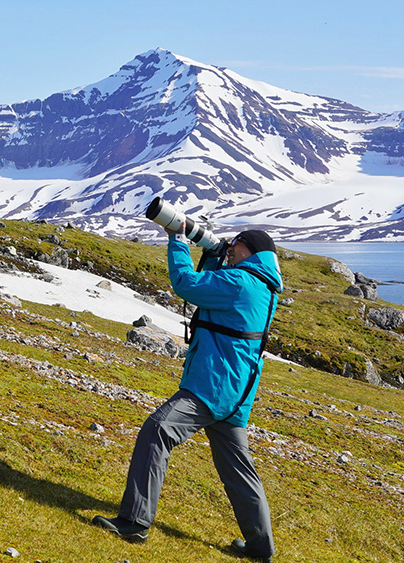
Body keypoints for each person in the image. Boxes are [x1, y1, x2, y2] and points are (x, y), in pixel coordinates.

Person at [93, 223, 283, 563]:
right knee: (238, 468)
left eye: (236, 244)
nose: (230, 248)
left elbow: (186, 284)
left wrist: (178, 240)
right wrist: (211, 256)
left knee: (158, 430)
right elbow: (212, 295)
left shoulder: (239, 281)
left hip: (213, 386)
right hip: (236, 392)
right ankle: (260, 546)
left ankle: (134, 522)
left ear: (251, 252)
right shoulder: (261, 285)